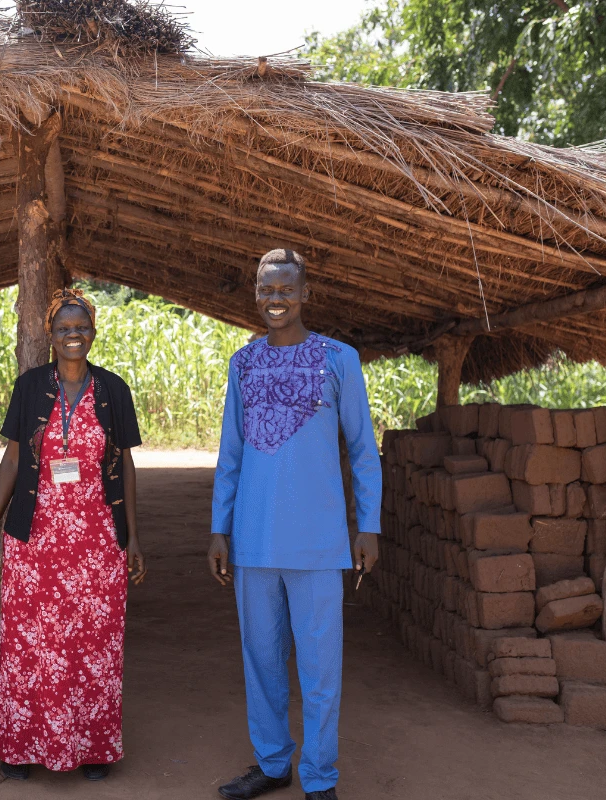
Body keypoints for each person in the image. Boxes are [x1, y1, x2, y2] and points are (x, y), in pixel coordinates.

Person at [210, 250, 381, 800]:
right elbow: (231, 453)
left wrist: (368, 526)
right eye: (266, 290)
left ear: (305, 294)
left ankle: (321, 777)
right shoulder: (242, 363)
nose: (275, 300)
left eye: (286, 290)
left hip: (319, 545)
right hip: (254, 542)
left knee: (320, 669)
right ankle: (272, 763)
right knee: (261, 660)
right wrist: (220, 527)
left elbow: (362, 449)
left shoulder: (339, 360)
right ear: (256, 294)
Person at [0, 288, 146, 782]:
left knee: (94, 643)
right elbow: (12, 458)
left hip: (97, 540)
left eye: (82, 328)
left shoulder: (113, 390)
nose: (74, 336)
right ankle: (21, 747)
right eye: (64, 329)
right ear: (49, 337)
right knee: (31, 643)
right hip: (36, 538)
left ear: (93, 333)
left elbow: (127, 466)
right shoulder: (30, 387)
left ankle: (92, 749)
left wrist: (133, 537)